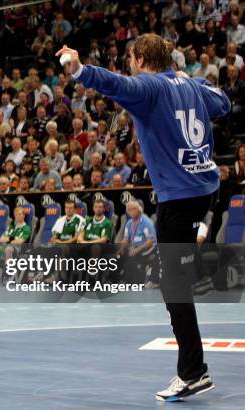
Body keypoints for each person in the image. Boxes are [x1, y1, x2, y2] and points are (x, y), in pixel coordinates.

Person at [57, 33, 230, 401]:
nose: (129, 64)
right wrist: (194, 86)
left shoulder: (148, 86)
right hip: (205, 189)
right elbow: (224, 104)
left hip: (180, 197)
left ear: (138, 57)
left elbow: (115, 83)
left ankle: (193, 372)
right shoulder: (188, 83)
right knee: (178, 278)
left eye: (130, 58)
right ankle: (193, 359)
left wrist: (79, 69)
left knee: (173, 285)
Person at [117, 200, 158, 287]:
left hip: (148, 248)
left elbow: (151, 241)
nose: (131, 211)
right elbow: (126, 238)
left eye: (133, 209)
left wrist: (138, 249)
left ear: (139, 209)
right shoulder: (129, 223)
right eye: (129, 209)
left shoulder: (147, 222)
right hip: (134, 247)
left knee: (133, 255)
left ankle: (133, 281)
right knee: (119, 255)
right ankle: (119, 279)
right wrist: (121, 247)